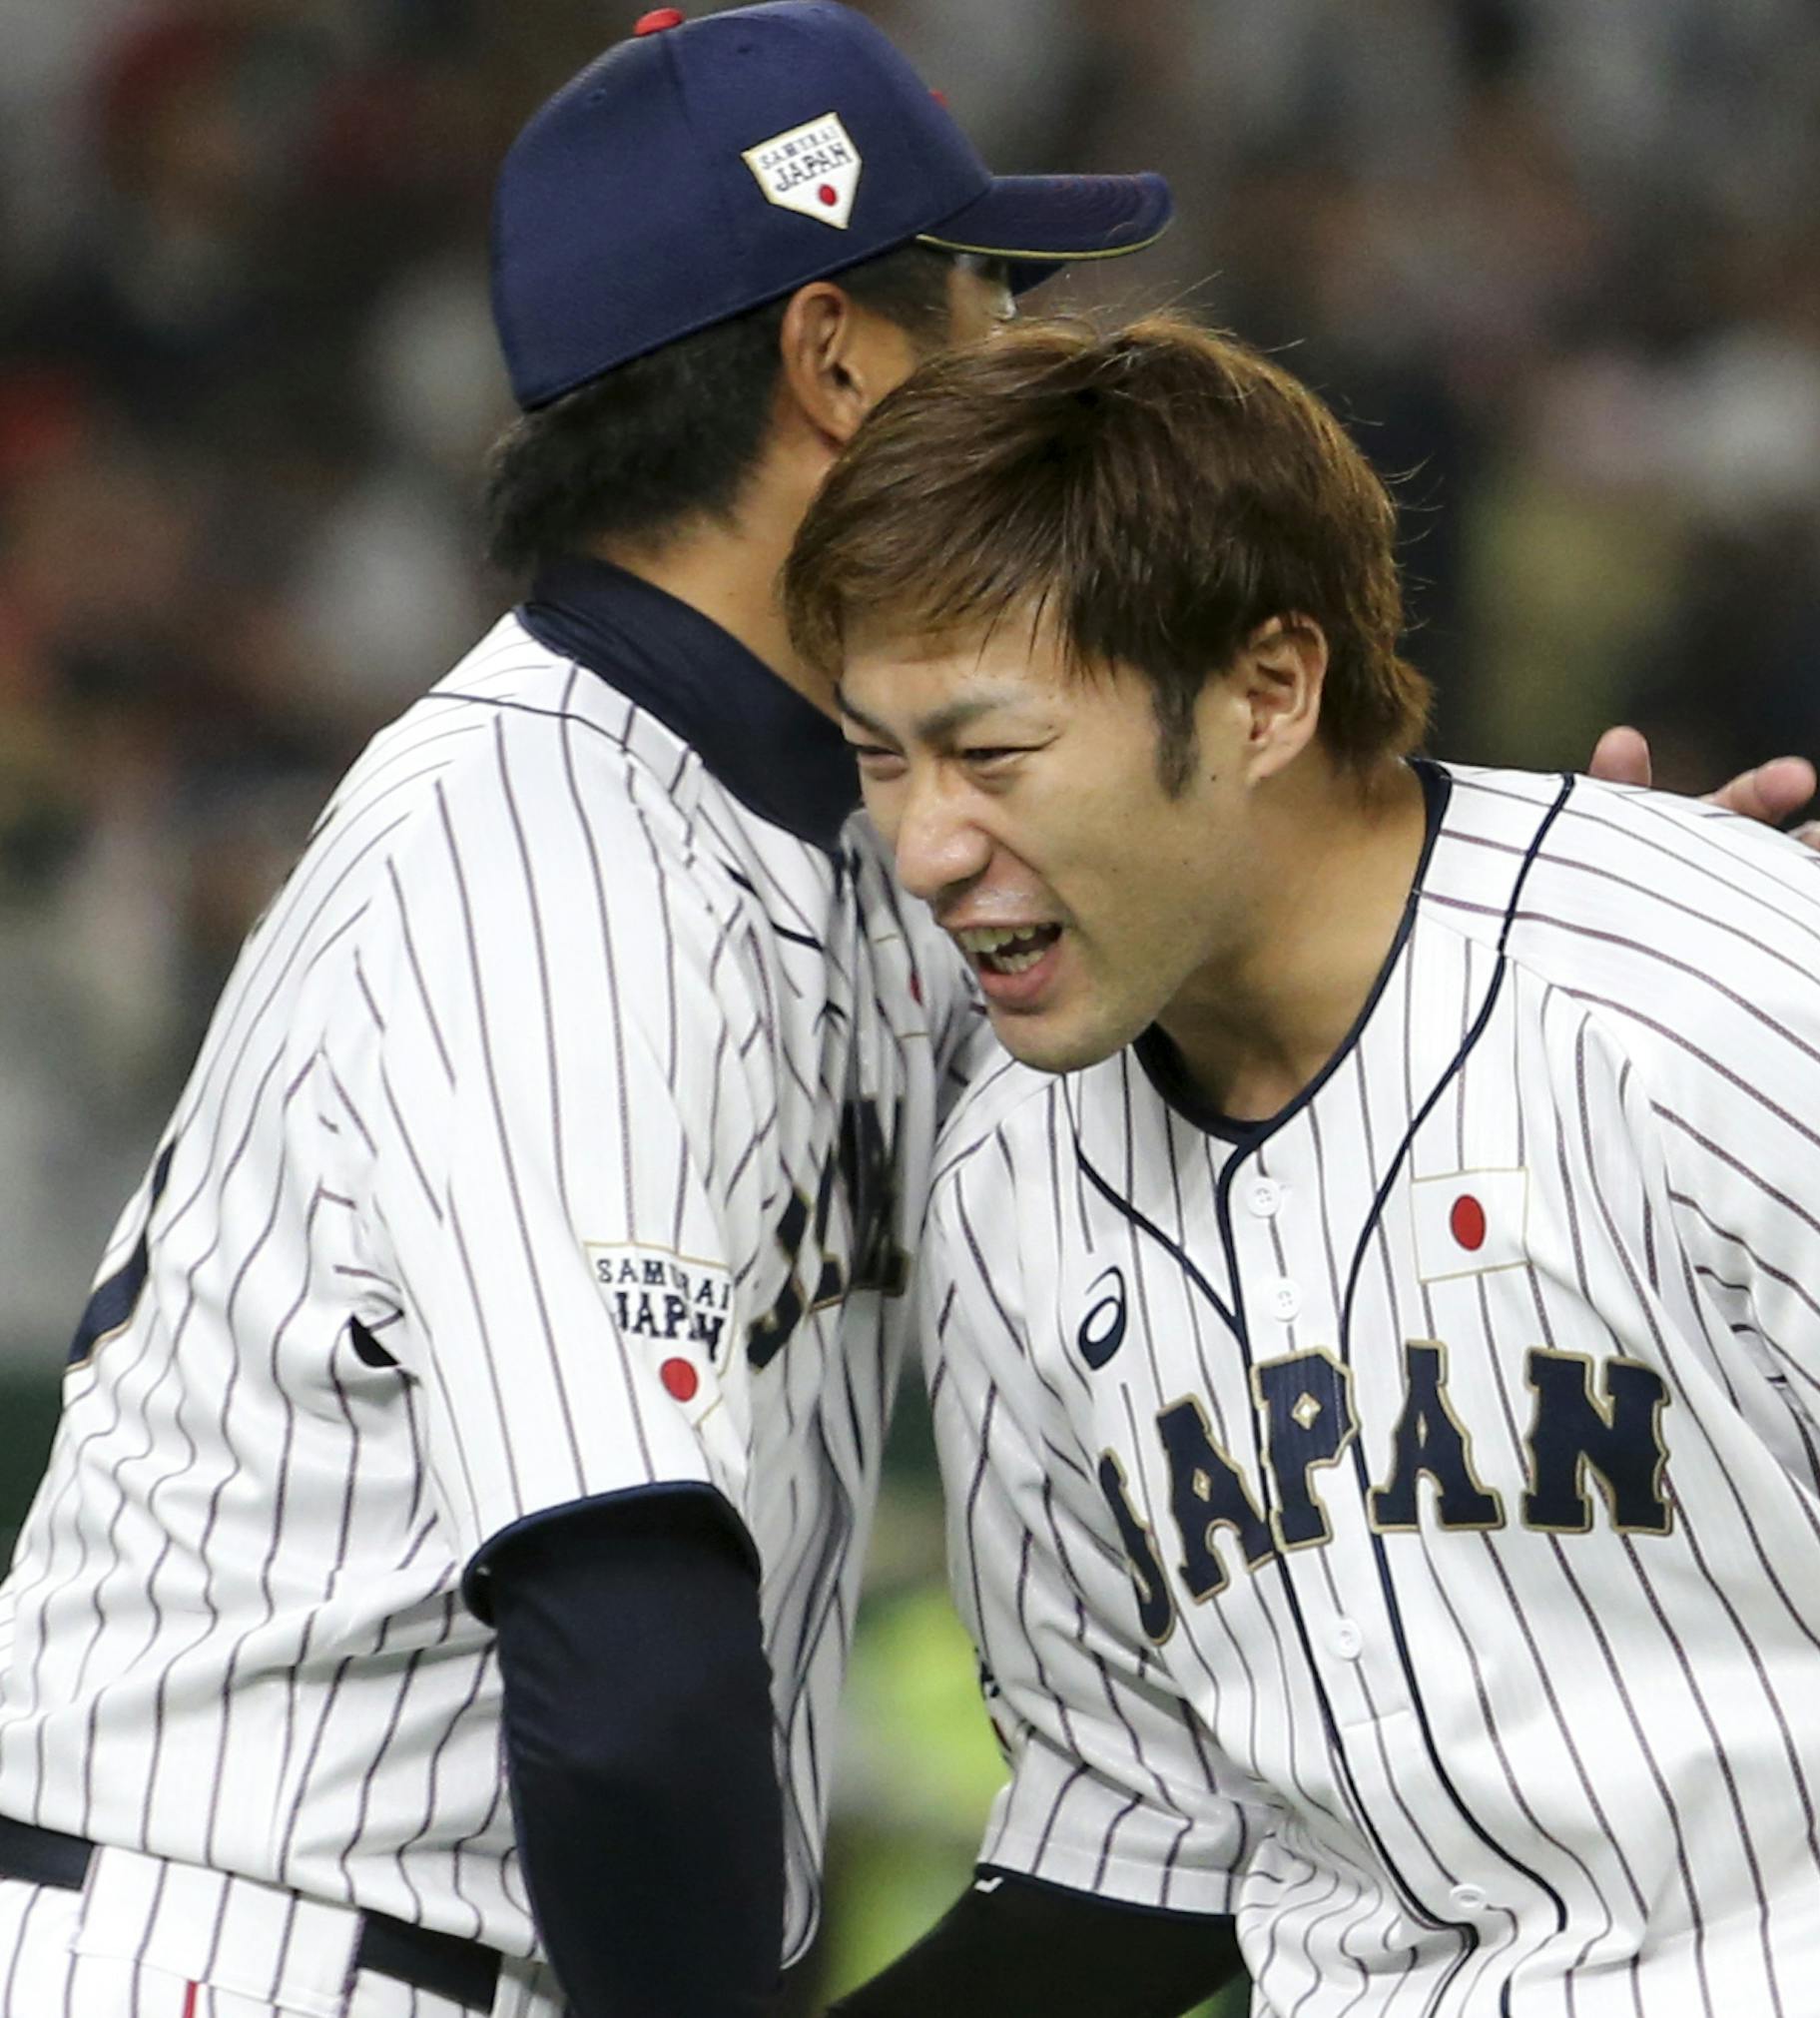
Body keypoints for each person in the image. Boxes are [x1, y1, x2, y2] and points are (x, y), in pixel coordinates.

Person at [0, 8, 1174, 2016]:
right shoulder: (551, 862)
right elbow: (629, 1689)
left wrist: (1626, 907)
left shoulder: (823, 814)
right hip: (249, 1947)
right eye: (987, 300)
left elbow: (1234, 1031)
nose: (1026, 366)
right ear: (833, 363)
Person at [785, 315, 1820, 2018]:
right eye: (879, 757)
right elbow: (1132, 1854)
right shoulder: (1007, 1181)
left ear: (1270, 691)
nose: (925, 842)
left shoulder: (1712, 992)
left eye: (992, 755)